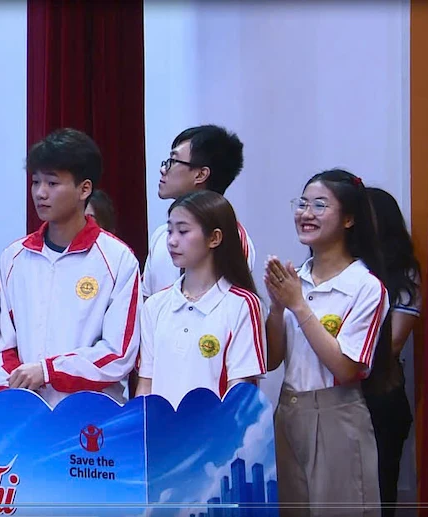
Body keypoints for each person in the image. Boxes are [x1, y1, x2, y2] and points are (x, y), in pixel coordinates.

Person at [0, 128, 140, 406]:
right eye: (35, 182)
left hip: (91, 414)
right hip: (25, 412)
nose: (40, 193)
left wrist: (48, 371)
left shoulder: (117, 259)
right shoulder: (14, 257)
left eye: (52, 183)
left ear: (84, 189)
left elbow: (119, 353)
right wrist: (16, 390)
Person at [265, 169, 391, 515]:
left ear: (349, 219)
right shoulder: (297, 279)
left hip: (337, 414)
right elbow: (272, 360)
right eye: (302, 204)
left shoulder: (365, 286)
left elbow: (346, 368)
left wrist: (297, 305)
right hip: (288, 410)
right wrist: (276, 308)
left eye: (320, 205)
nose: (306, 213)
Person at [136, 191, 266, 408]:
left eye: (183, 231)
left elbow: (240, 394)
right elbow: (145, 385)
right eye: (169, 231)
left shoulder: (243, 305)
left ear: (214, 238)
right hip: (162, 428)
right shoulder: (155, 305)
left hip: (218, 429)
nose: (172, 241)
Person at [142, 125, 254, 298]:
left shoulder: (232, 238)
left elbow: (232, 303)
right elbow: (146, 300)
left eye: (173, 161)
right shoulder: (160, 235)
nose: (163, 169)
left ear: (201, 175)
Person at [364, 187, 421, 517]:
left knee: (380, 489)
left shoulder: (403, 272)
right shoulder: (337, 266)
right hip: (335, 397)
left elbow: (394, 342)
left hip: (381, 394)